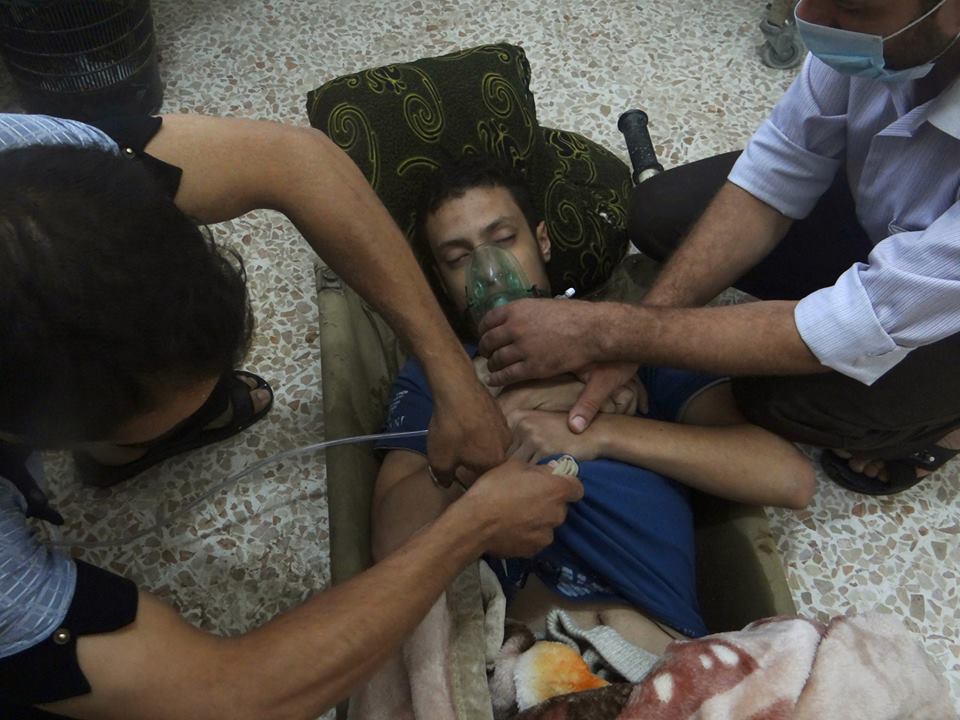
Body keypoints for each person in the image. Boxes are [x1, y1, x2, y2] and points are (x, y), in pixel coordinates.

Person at [0, 114, 581, 718]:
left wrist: (455, 377)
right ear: (48, 433)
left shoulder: (51, 175)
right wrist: (471, 529)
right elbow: (225, 696)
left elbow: (295, 160)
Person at [477, 0, 960, 496]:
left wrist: (611, 338)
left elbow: (853, 328)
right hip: (887, 220)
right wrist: (628, 339)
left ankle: (945, 425)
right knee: (659, 212)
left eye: (850, 9)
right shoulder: (872, 31)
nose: (810, 18)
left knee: (779, 400)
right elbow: (779, 168)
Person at [370, 157, 814, 656]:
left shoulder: (630, 340)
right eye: (458, 259)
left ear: (541, 240)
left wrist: (595, 432)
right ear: (440, 279)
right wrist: (480, 409)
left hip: (654, 650)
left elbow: (788, 478)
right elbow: (391, 543)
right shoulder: (437, 377)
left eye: (503, 239)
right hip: (518, 656)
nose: (488, 273)